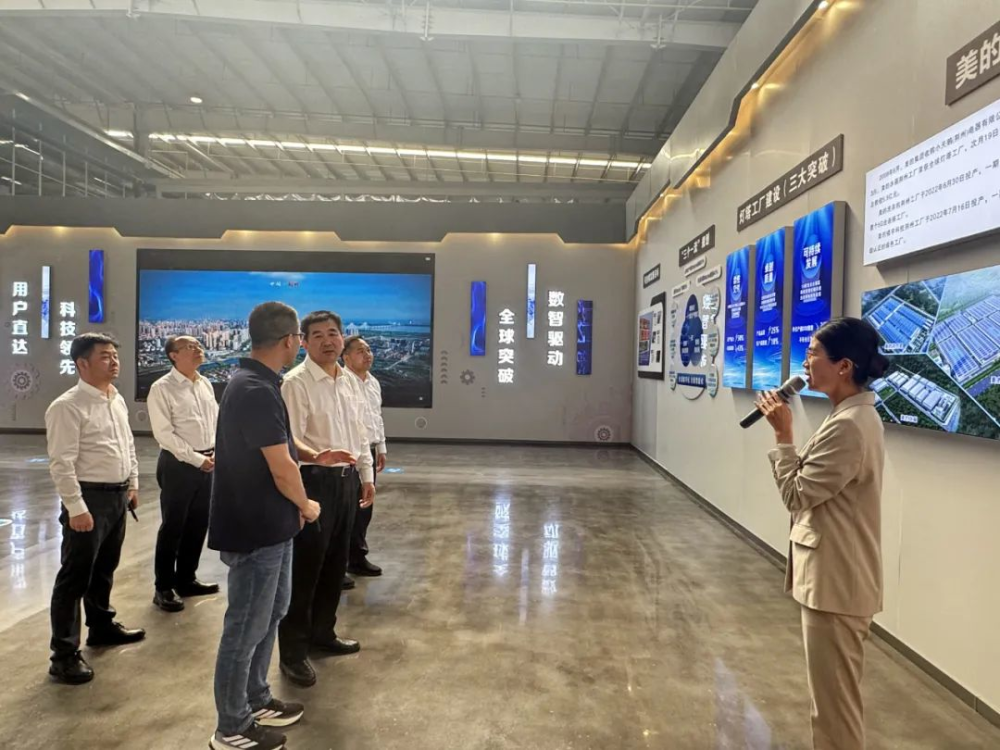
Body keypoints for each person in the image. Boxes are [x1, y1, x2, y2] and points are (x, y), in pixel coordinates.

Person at [756, 317, 889, 750]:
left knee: (835, 712)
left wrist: (783, 436)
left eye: (813, 354)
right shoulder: (848, 415)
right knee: (829, 706)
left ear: (844, 366)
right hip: (835, 579)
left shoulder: (850, 425)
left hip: (838, 583)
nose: (805, 363)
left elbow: (797, 495)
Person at [208, 302, 327, 750]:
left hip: (274, 525)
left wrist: (311, 458)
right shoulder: (254, 388)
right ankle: (231, 726)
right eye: (301, 337)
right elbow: (281, 467)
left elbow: (280, 447)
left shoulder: (259, 382)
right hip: (255, 528)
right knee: (244, 628)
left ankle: (256, 698)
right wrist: (306, 504)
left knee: (271, 614)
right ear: (290, 341)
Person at [278, 311, 375, 688]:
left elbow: (360, 432)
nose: (327, 341)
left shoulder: (349, 381)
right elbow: (289, 441)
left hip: (347, 483)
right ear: (303, 342)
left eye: (333, 333)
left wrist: (366, 476)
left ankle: (323, 633)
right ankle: (293, 652)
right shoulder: (296, 383)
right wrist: (317, 459)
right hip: (313, 482)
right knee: (306, 569)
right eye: (316, 335)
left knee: (335, 564)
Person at [45, 332, 146, 685]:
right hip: (88, 499)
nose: (114, 361)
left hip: (117, 496)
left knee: (104, 568)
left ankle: (101, 626)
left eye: (115, 355)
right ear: (82, 363)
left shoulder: (115, 399)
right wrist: (76, 507)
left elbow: (127, 445)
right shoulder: (67, 406)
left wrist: (132, 484)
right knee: (75, 576)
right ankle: (64, 654)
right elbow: (61, 463)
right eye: (105, 356)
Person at [147, 335, 219, 613]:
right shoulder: (161, 388)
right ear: (173, 355)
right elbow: (164, 434)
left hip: (209, 461)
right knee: (173, 526)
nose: (198, 349)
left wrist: (216, 453)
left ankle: (187, 579)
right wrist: (197, 459)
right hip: (179, 465)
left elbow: (215, 421)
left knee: (198, 523)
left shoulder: (205, 383)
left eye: (199, 345)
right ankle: (163, 587)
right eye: (190, 347)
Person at [342, 335, 388, 579]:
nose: (367, 354)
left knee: (364, 508)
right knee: (345, 512)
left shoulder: (373, 382)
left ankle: (357, 557)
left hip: (368, 452)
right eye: (360, 351)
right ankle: (337, 565)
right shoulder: (341, 382)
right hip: (348, 455)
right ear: (346, 357)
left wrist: (381, 447)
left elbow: (376, 417)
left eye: (369, 350)